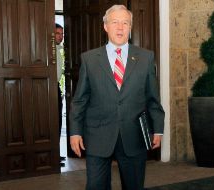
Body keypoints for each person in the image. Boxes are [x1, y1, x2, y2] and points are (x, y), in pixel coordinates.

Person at [69, 5, 165, 190]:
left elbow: (153, 97)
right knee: (96, 185)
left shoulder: (145, 58)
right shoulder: (89, 59)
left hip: (134, 135)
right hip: (98, 135)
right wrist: (75, 132)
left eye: (125, 23)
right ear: (105, 26)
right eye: (115, 22)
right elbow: (80, 99)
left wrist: (158, 130)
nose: (120, 27)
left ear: (130, 27)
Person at [55, 23, 66, 166]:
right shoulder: (48, 50)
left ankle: (56, 153)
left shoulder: (59, 49)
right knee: (53, 120)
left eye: (62, 33)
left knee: (58, 120)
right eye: (58, 33)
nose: (61, 36)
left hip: (56, 86)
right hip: (48, 87)